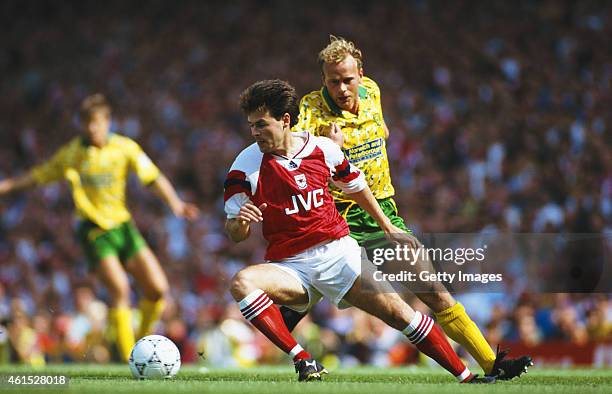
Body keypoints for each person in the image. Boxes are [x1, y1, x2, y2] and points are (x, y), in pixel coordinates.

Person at [285, 35, 533, 379]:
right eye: (332, 81)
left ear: (361, 74)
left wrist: (379, 134)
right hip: (335, 217)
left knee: (433, 290)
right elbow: (291, 157)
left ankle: (493, 363)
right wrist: (327, 147)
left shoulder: (372, 91)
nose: (341, 88)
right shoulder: (311, 112)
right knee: (309, 291)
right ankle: (278, 323)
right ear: (323, 79)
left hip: (381, 211)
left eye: (347, 79)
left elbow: (380, 127)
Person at [224, 79, 494, 383]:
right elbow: (235, 232)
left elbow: (356, 186)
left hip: (338, 255)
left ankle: (467, 378)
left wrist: (387, 225)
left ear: (285, 120)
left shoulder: (323, 149)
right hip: (291, 267)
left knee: (401, 315)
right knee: (242, 283)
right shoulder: (245, 165)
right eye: (251, 126)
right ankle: (303, 359)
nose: (254, 132)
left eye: (261, 124)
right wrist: (240, 223)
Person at [0, 94, 199, 362]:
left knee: (158, 289)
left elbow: (152, 176)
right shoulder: (73, 153)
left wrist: (175, 203)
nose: (91, 128)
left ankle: (141, 342)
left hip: (123, 226)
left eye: (96, 122)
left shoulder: (125, 148)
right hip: (94, 230)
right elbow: (38, 175)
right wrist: (8, 186)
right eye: (86, 123)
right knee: (120, 290)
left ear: (107, 121)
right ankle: (132, 358)